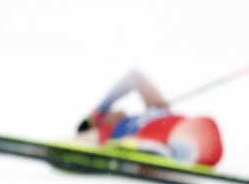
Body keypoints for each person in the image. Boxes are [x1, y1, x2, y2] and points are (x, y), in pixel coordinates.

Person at [76, 71, 223, 165]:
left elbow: (135, 78)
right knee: (174, 144)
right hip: (159, 139)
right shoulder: (107, 133)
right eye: (108, 113)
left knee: (206, 128)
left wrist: (102, 107)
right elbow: (80, 139)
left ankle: (168, 152)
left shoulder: (156, 109)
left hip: (192, 128)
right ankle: (164, 152)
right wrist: (96, 117)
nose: (116, 111)